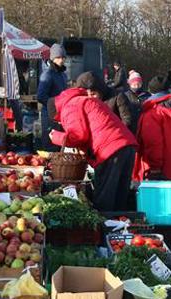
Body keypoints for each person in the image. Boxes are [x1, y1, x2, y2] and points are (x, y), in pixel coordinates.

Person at [49, 72, 137, 211]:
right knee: (120, 197)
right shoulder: (82, 101)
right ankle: (119, 227)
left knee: (105, 197)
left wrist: (56, 137)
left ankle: (102, 229)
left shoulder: (69, 107)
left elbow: (79, 136)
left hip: (110, 150)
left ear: (56, 112)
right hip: (127, 145)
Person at [38, 44, 69, 151]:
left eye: (63, 57)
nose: (61, 60)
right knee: (50, 145)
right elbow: (41, 96)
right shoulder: (47, 75)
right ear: (53, 58)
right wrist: (54, 106)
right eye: (58, 57)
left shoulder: (63, 75)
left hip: (61, 115)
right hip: (49, 116)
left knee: (60, 145)